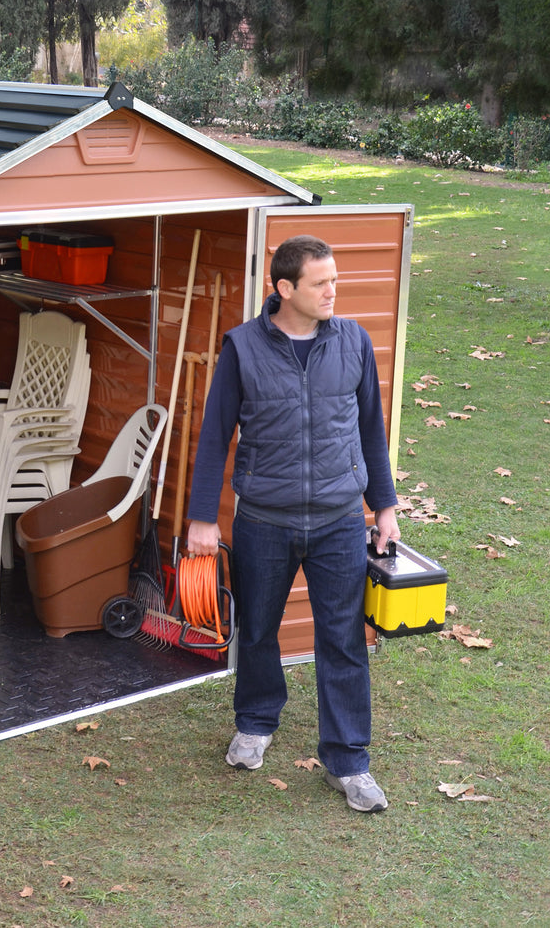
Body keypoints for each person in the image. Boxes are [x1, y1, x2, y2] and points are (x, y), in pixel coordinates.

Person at [185, 234, 400, 813]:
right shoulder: (242, 348)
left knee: (343, 639)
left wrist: (385, 508)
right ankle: (255, 723)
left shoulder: (353, 341)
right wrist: (203, 517)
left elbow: (370, 431)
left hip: (337, 521)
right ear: (285, 289)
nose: (334, 290)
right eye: (320, 282)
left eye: (335, 279)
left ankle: (349, 761)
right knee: (256, 629)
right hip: (263, 521)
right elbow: (214, 438)